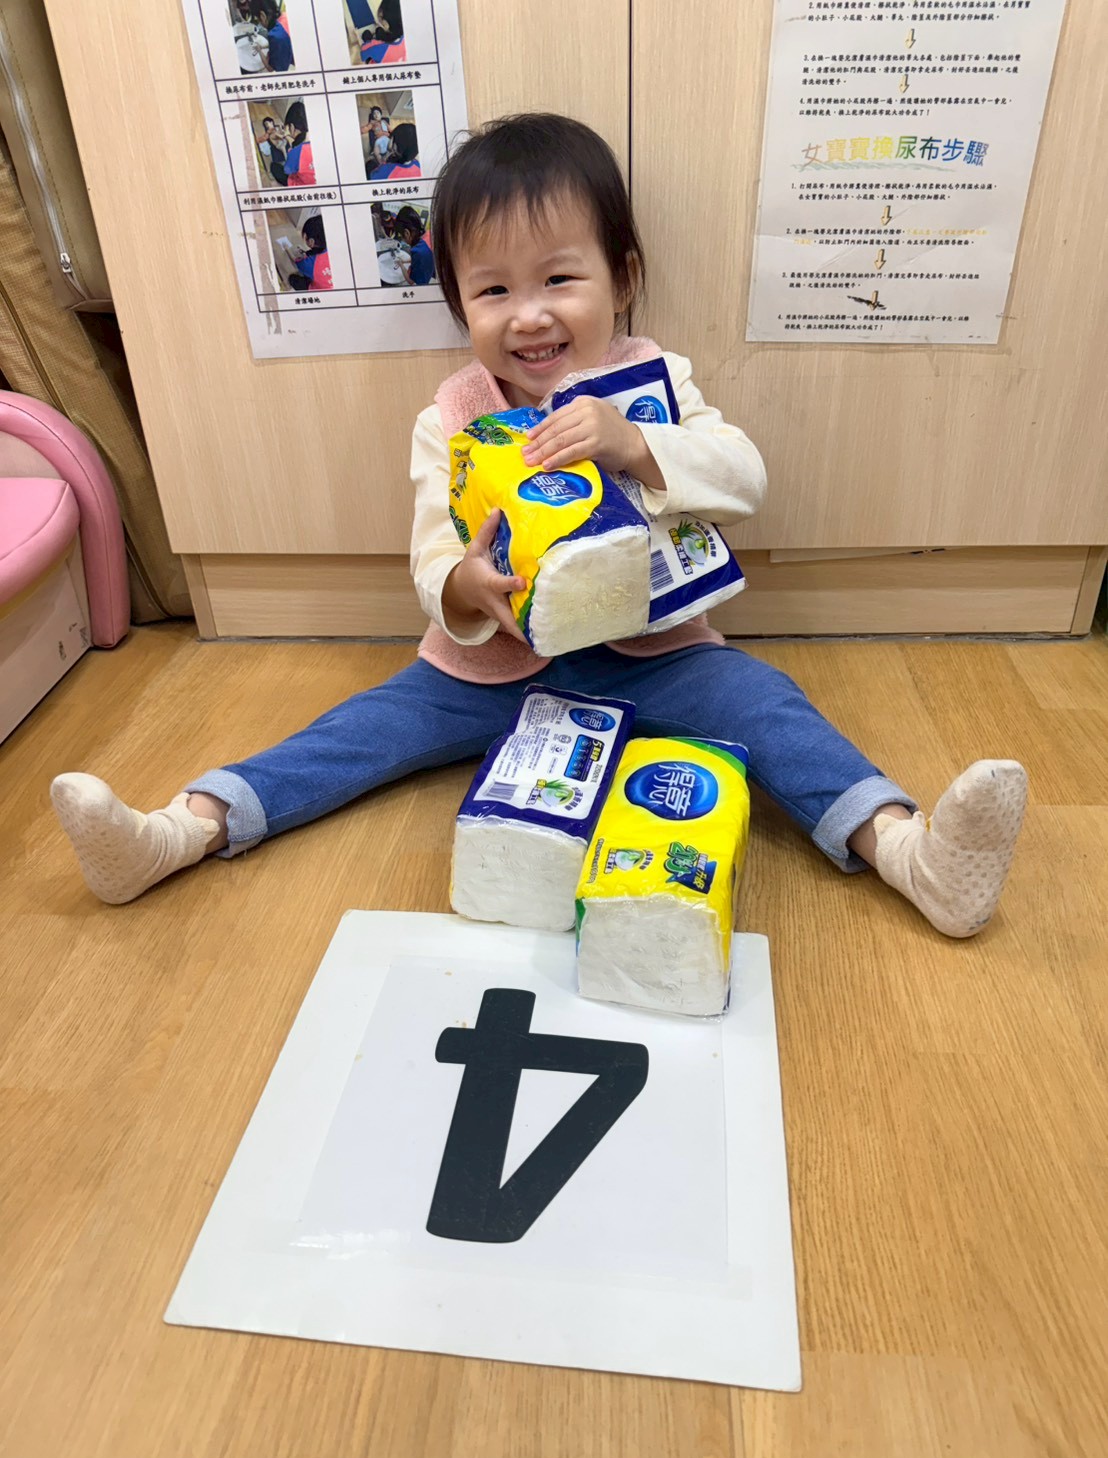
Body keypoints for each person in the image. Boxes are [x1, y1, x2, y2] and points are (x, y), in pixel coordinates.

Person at [51, 113, 1026, 937]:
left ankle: (907, 851)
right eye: (493, 291)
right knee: (358, 730)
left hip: (657, 657)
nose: (527, 316)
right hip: (490, 669)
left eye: (558, 280)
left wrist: (635, 442)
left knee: (767, 707)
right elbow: (432, 544)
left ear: (622, 277)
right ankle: (184, 828)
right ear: (459, 304)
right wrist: (462, 587)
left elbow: (743, 477)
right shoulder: (453, 414)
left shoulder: (652, 381)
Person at [287, 214, 331, 291]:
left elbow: (297, 263)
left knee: (292, 279)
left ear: (311, 241)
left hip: (320, 292)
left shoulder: (307, 264)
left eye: (305, 237)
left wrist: (298, 258)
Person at [395, 205, 434, 284]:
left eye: (402, 236)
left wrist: (401, 265)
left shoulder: (417, 251)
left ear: (407, 233)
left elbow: (411, 281)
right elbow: (421, 260)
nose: (403, 240)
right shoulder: (428, 234)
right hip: (431, 272)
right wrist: (405, 261)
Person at [251, 3, 294, 72]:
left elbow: (270, 68)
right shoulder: (284, 16)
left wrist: (259, 51)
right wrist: (263, 47)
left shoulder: (275, 37)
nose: (260, 23)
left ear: (262, 16)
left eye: (258, 20)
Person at [282, 100, 315, 187]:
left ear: (292, 126)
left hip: (302, 187)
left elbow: (287, 170)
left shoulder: (296, 152)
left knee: (274, 167)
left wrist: (291, 149)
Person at [257, 116, 287, 186]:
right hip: (278, 158)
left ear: (272, 122)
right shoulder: (268, 135)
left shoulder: (279, 128)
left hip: (286, 151)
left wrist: (281, 130)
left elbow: (284, 134)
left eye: (268, 123)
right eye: (266, 124)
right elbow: (258, 140)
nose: (267, 125)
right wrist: (268, 133)